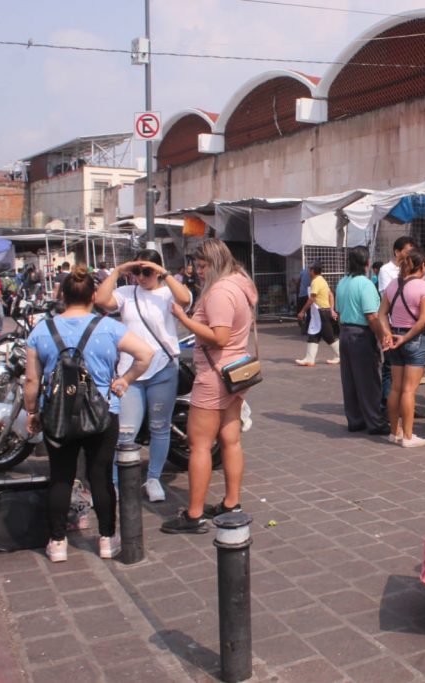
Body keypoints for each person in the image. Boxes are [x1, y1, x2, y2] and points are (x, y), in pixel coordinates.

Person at [24, 266, 154, 563]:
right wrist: (125, 380)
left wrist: (32, 411)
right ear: (94, 296)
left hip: (57, 413)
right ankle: (107, 538)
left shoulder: (42, 330)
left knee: (61, 476)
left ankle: (58, 542)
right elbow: (146, 354)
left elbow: (31, 380)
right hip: (103, 412)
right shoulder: (108, 327)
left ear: (62, 296)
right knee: (100, 476)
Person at [161, 239, 258, 534]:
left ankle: (194, 514)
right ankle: (231, 503)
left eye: (202, 266)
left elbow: (219, 337)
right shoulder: (240, 283)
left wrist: (183, 318)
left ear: (215, 263)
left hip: (216, 374)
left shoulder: (220, 292)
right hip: (235, 373)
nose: (198, 271)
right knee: (231, 440)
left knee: (200, 445)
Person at [95, 249, 194, 502]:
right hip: (130, 372)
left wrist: (164, 273)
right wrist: (118, 271)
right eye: (137, 271)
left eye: (147, 271)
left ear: (157, 271)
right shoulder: (127, 293)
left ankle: (153, 478)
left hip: (163, 368)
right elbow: (102, 300)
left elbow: (185, 299)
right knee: (125, 431)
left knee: (160, 427)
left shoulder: (168, 292)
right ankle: (117, 481)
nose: (141, 277)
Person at [378, 249, 425, 448]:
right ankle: (408, 436)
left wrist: (388, 334)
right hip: (414, 338)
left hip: (395, 337)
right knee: (409, 390)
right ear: (423, 265)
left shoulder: (393, 284)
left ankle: (394, 432)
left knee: (396, 387)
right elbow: (424, 319)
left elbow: (381, 314)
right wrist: (406, 338)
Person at [334, 247, 388, 435]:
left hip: (345, 332)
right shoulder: (365, 284)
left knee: (349, 380)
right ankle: (375, 422)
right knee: (368, 380)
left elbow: (339, 311)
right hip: (361, 334)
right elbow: (371, 316)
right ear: (367, 263)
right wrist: (382, 337)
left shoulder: (342, 282)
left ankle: (355, 420)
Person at [296, 263, 340, 366]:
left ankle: (340, 355)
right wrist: (331, 309)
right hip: (320, 312)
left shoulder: (316, 281)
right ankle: (309, 359)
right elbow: (330, 295)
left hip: (321, 312)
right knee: (313, 334)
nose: (308, 272)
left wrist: (302, 311)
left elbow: (312, 298)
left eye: (309, 270)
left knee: (329, 336)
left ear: (312, 271)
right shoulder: (322, 280)